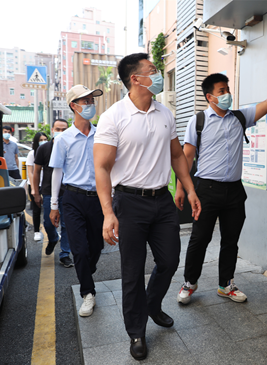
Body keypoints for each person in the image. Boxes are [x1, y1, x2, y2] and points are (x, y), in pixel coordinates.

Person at [94, 53, 201, 361]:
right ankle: (136, 332)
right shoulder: (114, 116)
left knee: (169, 261)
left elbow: (177, 156)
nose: (157, 75)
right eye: (152, 71)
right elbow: (101, 167)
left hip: (162, 200)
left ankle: (152, 304)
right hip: (128, 202)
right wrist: (108, 212)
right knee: (132, 271)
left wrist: (190, 189)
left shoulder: (165, 114)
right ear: (135, 79)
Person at [175, 55, 267, 304]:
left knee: (230, 241)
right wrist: (182, 189)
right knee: (199, 239)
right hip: (206, 190)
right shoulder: (198, 121)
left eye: (228, 89)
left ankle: (226, 284)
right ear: (209, 97)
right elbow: (186, 159)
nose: (227, 94)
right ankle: (190, 282)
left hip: (234, 191)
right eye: (221, 91)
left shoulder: (240, 117)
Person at [49, 85, 104, 316]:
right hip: (72, 198)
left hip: (98, 199)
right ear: (74, 105)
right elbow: (57, 172)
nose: (91, 104)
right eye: (86, 100)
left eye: (92, 99)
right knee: (79, 249)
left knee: (97, 246)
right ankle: (87, 292)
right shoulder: (63, 139)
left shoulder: (102, 134)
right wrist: (54, 204)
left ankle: (86, 273)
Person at [32, 118, 73, 268]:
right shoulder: (44, 149)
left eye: (64, 130)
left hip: (69, 192)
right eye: (58, 129)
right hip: (49, 192)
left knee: (67, 224)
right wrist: (36, 192)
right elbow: (36, 172)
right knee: (49, 223)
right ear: (52, 130)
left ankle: (65, 254)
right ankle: (53, 238)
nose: (61, 132)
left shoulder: (72, 146)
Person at [26, 132, 48, 242]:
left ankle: (52, 231)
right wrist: (34, 188)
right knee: (36, 209)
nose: (43, 141)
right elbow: (30, 172)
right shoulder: (32, 154)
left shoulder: (49, 152)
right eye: (41, 140)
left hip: (47, 184)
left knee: (49, 208)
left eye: (45, 139)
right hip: (35, 184)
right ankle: (36, 231)